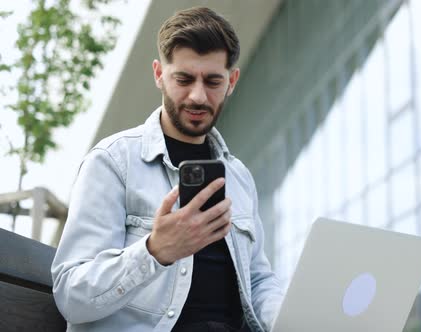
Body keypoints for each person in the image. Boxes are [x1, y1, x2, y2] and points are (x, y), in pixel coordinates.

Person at [51, 7, 284, 332]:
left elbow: (259, 281)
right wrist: (155, 251)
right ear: (159, 74)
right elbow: (72, 296)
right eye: (184, 79)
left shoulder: (238, 176)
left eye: (213, 81)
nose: (198, 96)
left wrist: (289, 319)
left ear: (232, 81)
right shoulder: (113, 162)